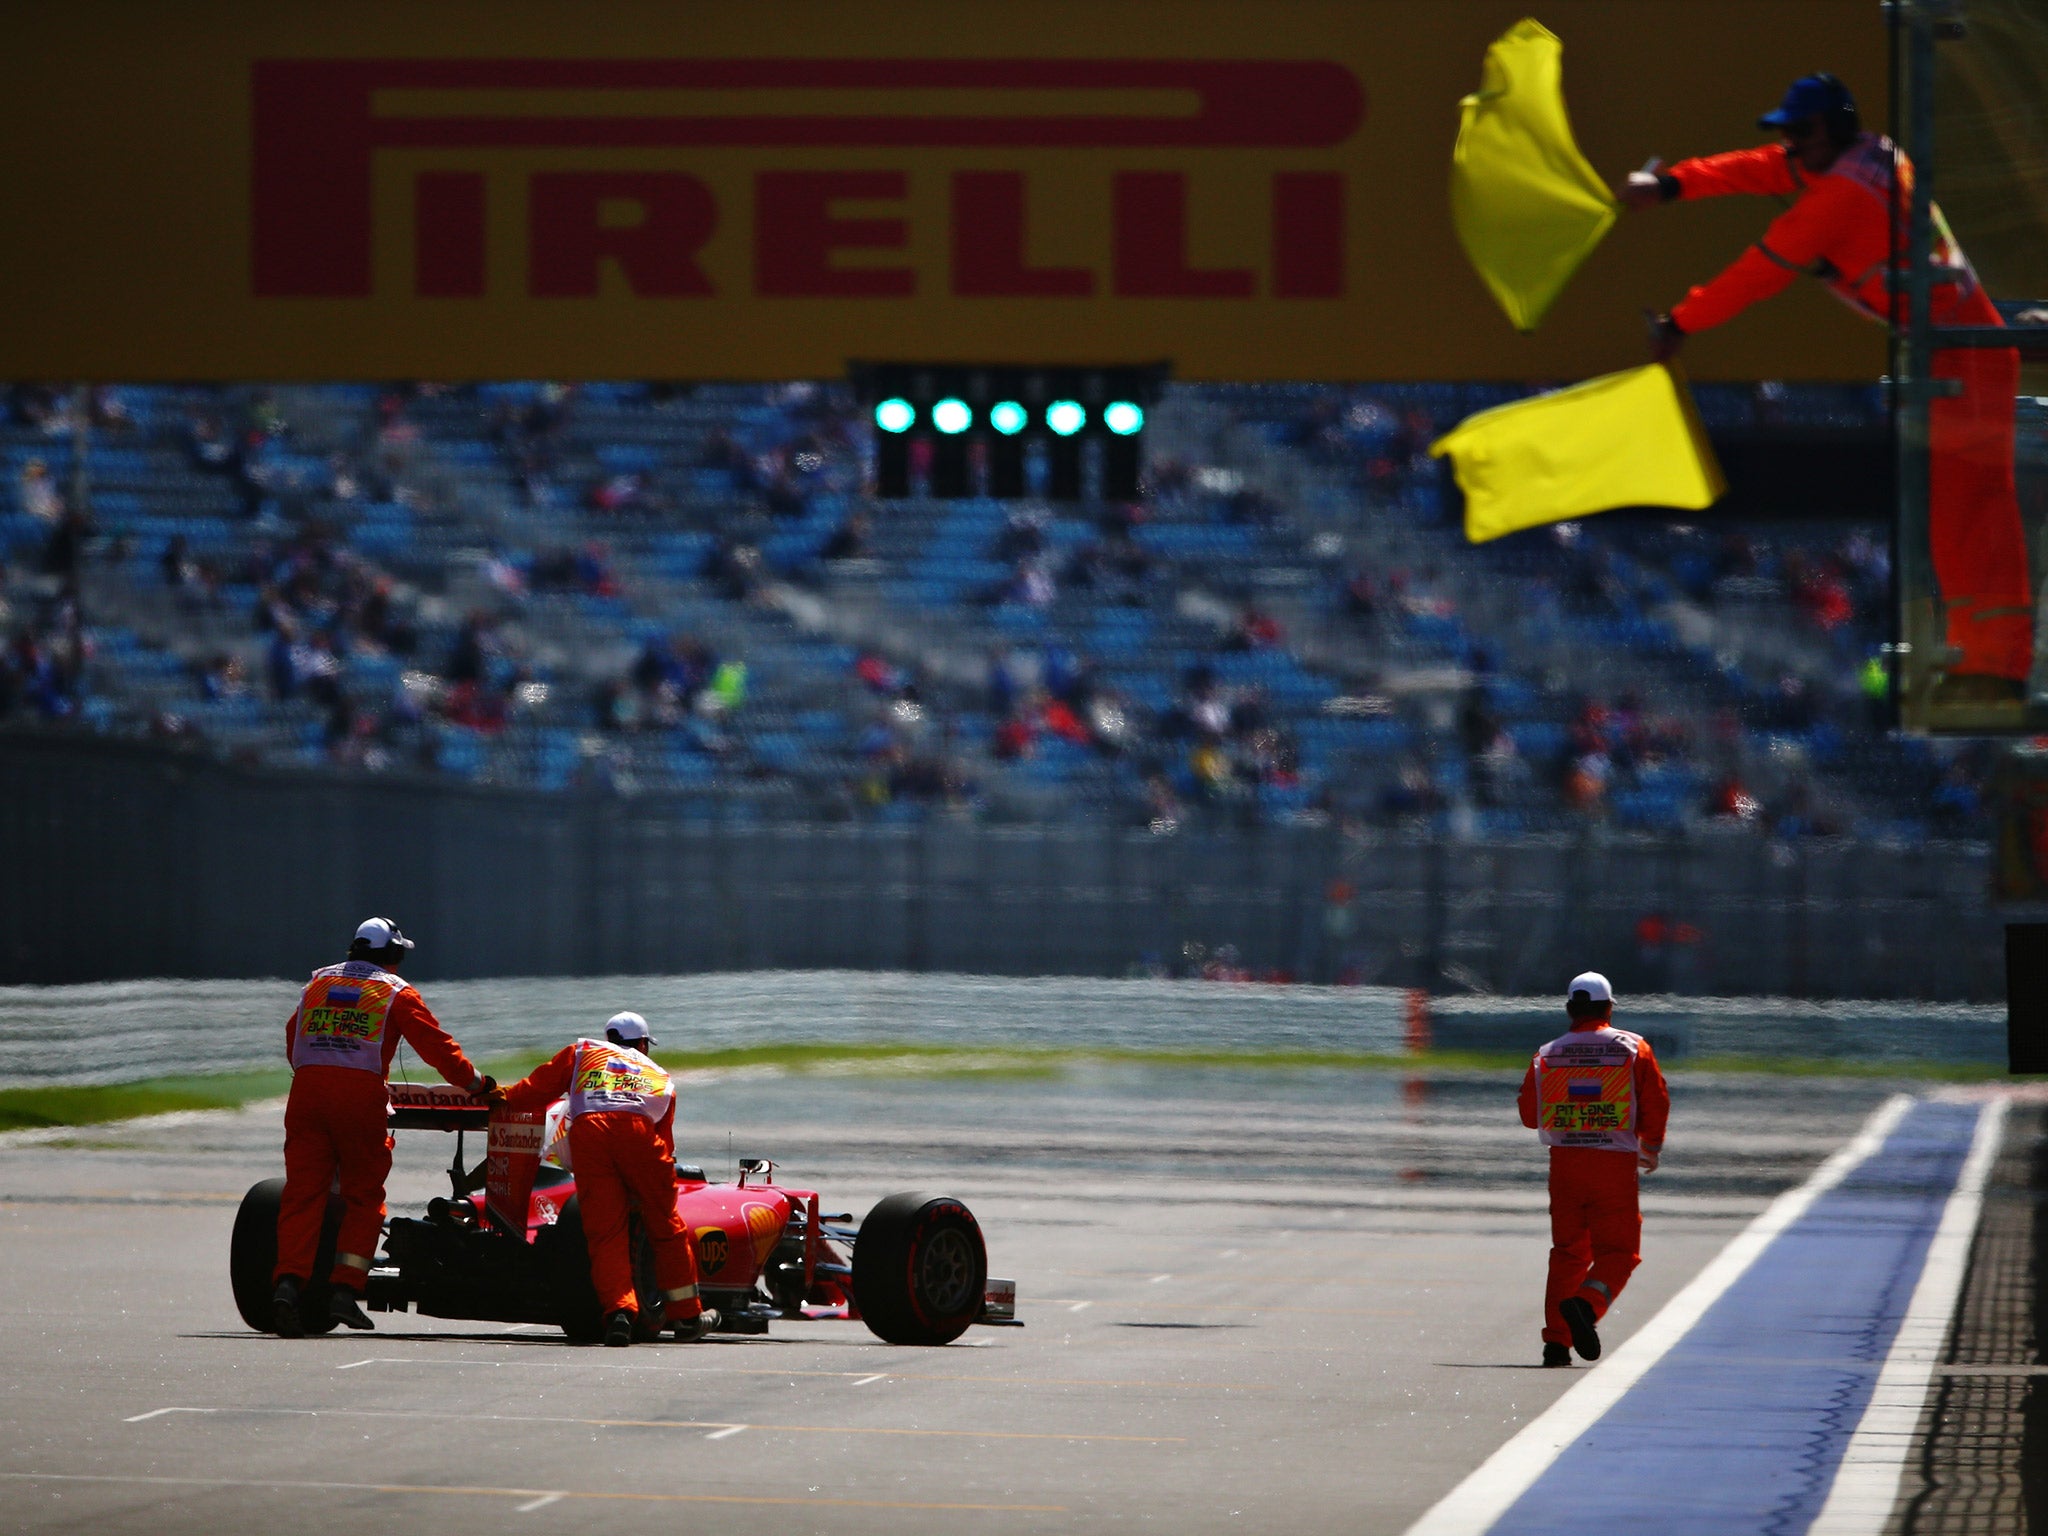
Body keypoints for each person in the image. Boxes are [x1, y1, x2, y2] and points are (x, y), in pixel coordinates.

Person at [1621, 73, 2032, 705]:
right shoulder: (1874, 156)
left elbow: (1757, 272)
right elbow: (1762, 169)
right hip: (1957, 351)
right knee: (1956, 520)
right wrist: (1674, 183)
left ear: (1829, 128)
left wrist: (1681, 321)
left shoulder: (1839, 199)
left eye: (1798, 130)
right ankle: (1985, 659)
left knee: (1972, 519)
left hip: (1962, 356)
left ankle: (1999, 664)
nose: (1788, 143)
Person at [273, 918, 491, 1336]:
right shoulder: (394, 992)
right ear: (392, 954)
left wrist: (319, 1074)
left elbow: (293, 1037)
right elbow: (438, 1049)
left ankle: (287, 1282)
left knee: (301, 1194)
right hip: (357, 1099)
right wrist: (477, 1085)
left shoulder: (317, 982)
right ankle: (343, 1289)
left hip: (306, 1091)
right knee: (363, 1196)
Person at [494, 1012, 705, 1346]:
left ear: (609, 1039)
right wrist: (647, 1188)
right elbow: (664, 1145)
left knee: (605, 1232)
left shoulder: (581, 1052)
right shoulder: (660, 1075)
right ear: (642, 1044)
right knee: (665, 1223)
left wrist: (498, 1097)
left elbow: (535, 1089)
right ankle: (688, 1317)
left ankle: (620, 1313)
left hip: (588, 1133)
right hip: (637, 1132)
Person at [1517, 972, 1669, 1366]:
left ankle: (1556, 1344)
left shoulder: (1547, 1053)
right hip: (1613, 1165)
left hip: (1565, 1166)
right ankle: (1586, 1305)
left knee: (1567, 1253)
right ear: (1609, 1007)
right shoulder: (1633, 1047)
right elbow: (1655, 1100)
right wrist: (1650, 1147)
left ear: (1570, 1009)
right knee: (1619, 1252)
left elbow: (1530, 1116)